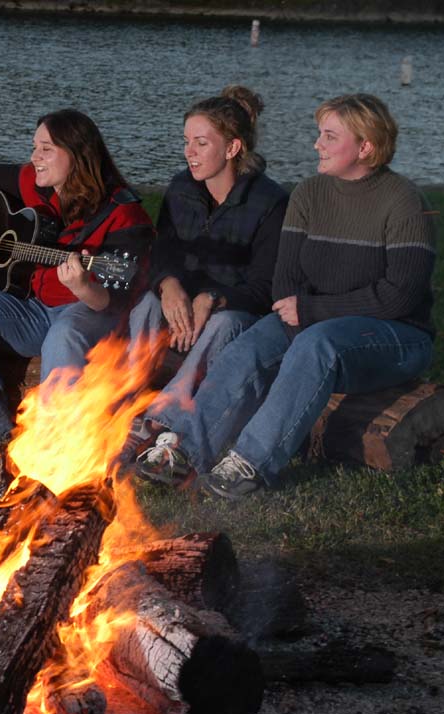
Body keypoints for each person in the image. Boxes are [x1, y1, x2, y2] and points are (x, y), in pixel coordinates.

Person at [143, 93, 436, 499]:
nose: (317, 145)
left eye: (330, 137)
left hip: (395, 334)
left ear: (365, 147)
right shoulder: (308, 195)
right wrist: (303, 314)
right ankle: (184, 449)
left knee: (317, 343)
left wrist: (314, 311)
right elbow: (285, 283)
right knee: (249, 347)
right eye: (320, 134)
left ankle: (250, 462)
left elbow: (399, 297)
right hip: (315, 322)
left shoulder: (404, 203)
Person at [0, 109, 154, 453]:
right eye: (34, 147)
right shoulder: (36, 184)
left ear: (77, 154)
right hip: (34, 308)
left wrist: (82, 286)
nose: (34, 158)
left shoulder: (124, 213)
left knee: (64, 332)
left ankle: (53, 444)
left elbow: (116, 301)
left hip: (89, 314)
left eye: (46, 149)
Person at [123, 87, 289, 485]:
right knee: (146, 306)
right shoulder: (181, 189)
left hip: (235, 314)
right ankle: (125, 404)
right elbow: (160, 255)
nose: (189, 153)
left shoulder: (270, 202)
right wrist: (168, 284)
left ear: (232, 148)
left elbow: (266, 287)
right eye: (186, 142)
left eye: (201, 143)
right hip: (181, 308)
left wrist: (215, 298)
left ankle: (161, 423)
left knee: (225, 322)